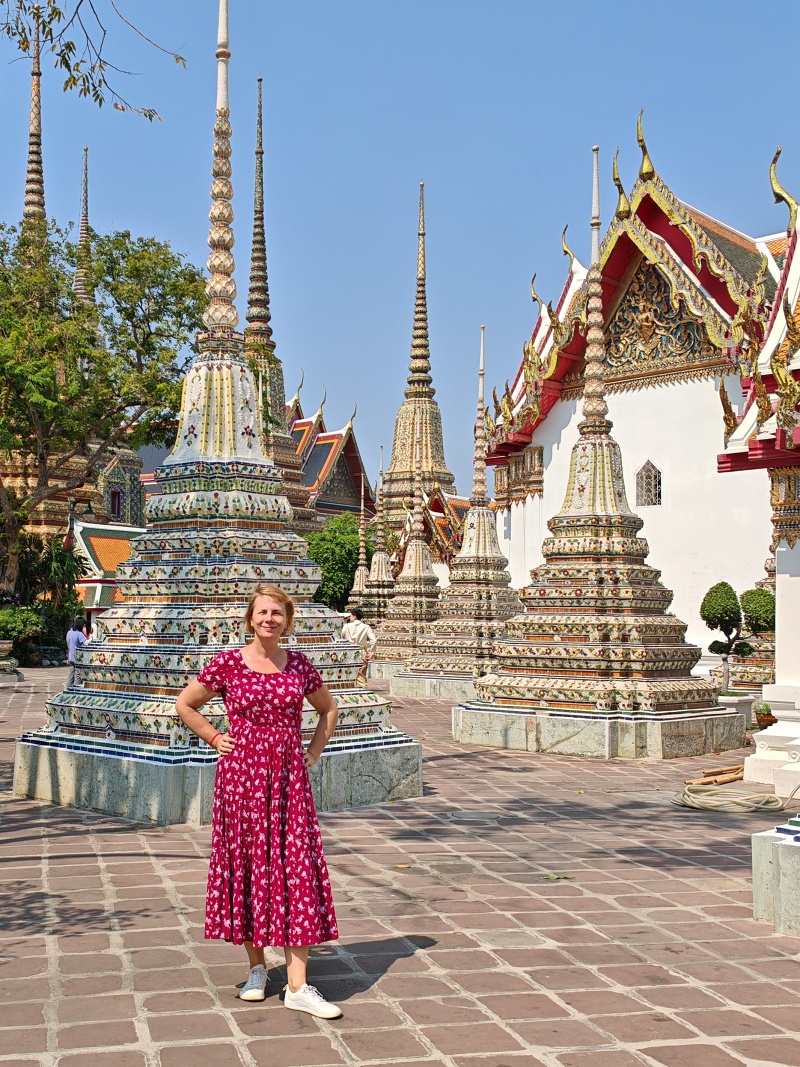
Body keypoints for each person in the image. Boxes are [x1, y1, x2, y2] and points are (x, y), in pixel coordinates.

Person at [176, 584, 342, 1018]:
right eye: (262, 612)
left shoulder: (299, 665)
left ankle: (298, 985)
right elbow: (186, 704)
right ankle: (256, 968)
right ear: (251, 618)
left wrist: (313, 752)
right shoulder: (229, 663)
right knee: (249, 864)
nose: (269, 619)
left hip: (288, 781)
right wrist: (215, 737)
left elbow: (328, 709)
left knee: (295, 866)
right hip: (242, 780)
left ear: (287, 621)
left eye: (277, 613)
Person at [342, 607, 377, 685]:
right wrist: (371, 652)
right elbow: (374, 640)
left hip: (348, 652)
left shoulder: (346, 626)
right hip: (361, 653)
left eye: (351, 615)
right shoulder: (366, 627)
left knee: (348, 675)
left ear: (354, 616)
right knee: (361, 676)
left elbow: (341, 638)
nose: (349, 617)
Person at [65, 617, 87, 685]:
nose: (84, 627)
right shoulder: (79, 634)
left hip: (70, 657)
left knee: (71, 675)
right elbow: (86, 643)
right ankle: (76, 689)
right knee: (78, 675)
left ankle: (68, 688)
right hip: (78, 658)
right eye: (83, 625)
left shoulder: (69, 632)